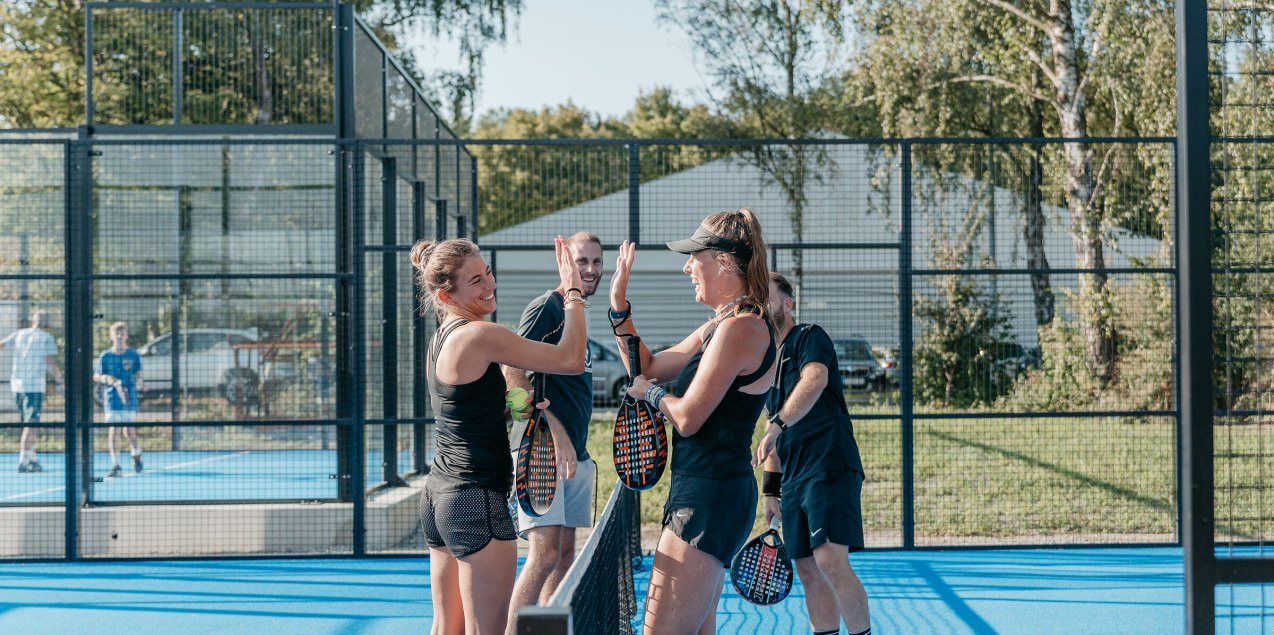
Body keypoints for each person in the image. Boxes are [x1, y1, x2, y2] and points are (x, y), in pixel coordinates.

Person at [413, 236, 587, 635]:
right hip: (475, 499)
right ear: (446, 294)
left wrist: (512, 404)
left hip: (440, 496)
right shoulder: (478, 334)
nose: (490, 284)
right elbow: (571, 359)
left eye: (488, 273)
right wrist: (574, 290)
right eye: (475, 280)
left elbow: (467, 409)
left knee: (446, 628)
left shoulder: (442, 338)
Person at [613, 209, 776, 634]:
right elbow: (647, 364)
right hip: (701, 490)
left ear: (723, 261)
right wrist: (618, 308)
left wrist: (649, 395)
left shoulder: (743, 328)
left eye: (693, 256)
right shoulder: (719, 326)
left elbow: (686, 417)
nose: (687, 266)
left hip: (710, 497)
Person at [755, 272, 871, 635]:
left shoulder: (809, 337)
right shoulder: (763, 363)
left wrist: (778, 423)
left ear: (788, 303)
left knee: (830, 561)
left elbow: (815, 379)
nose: (761, 302)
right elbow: (769, 439)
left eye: (767, 294)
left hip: (829, 464)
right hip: (794, 478)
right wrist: (771, 492)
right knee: (806, 567)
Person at [503, 232, 604, 628]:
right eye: (582, 261)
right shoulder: (548, 306)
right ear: (564, 261)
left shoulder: (577, 311)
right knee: (542, 555)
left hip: (574, 457)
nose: (591, 270)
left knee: (563, 556)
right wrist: (552, 432)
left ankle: (543, 629)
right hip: (542, 452)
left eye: (596, 262)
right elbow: (512, 373)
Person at [1, 310, 64, 473]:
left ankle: (32, 456)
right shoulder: (46, 338)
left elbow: (1, 344)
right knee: (31, 423)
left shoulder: (20, 334)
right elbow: (50, 361)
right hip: (34, 386)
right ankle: (23, 460)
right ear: (48, 324)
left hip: (17, 385)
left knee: (30, 423)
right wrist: (60, 380)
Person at [94, 322, 144, 478]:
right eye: (116, 332)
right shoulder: (105, 356)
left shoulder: (133, 355)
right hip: (111, 399)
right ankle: (116, 465)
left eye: (122, 332)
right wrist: (106, 379)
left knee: (129, 431)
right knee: (113, 430)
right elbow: (96, 376)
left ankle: (136, 455)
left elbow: (139, 373)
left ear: (127, 335)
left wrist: (141, 382)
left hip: (128, 400)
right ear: (111, 336)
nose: (120, 335)